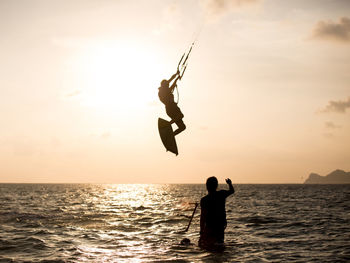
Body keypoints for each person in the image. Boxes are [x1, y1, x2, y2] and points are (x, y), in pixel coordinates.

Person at [199, 177, 234, 250]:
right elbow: (231, 191)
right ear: (216, 185)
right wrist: (230, 184)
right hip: (220, 225)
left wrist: (201, 231)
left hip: (210, 226)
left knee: (208, 246)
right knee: (219, 244)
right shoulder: (221, 194)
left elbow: (203, 217)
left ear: (207, 186)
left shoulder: (204, 200)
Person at [158, 71, 186, 136]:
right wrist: (176, 77)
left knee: (183, 127)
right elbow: (171, 83)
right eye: (167, 84)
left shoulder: (165, 89)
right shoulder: (162, 91)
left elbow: (171, 82)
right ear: (164, 85)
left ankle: (171, 135)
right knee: (181, 116)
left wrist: (176, 76)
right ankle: (167, 125)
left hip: (172, 108)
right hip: (171, 108)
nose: (168, 84)